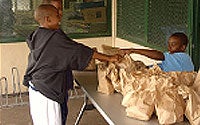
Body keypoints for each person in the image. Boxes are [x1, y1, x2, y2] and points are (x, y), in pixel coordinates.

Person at [23, 4, 121, 125]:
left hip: (38, 86)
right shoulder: (53, 38)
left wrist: (93, 53)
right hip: (47, 91)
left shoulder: (39, 34)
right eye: (57, 15)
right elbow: (78, 51)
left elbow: (72, 48)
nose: (60, 17)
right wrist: (109, 58)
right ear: (48, 19)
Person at [119, 32, 194, 72]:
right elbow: (161, 65)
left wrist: (133, 50)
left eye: (173, 44)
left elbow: (159, 56)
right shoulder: (174, 58)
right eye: (169, 44)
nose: (169, 47)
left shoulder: (182, 57)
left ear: (183, 47)